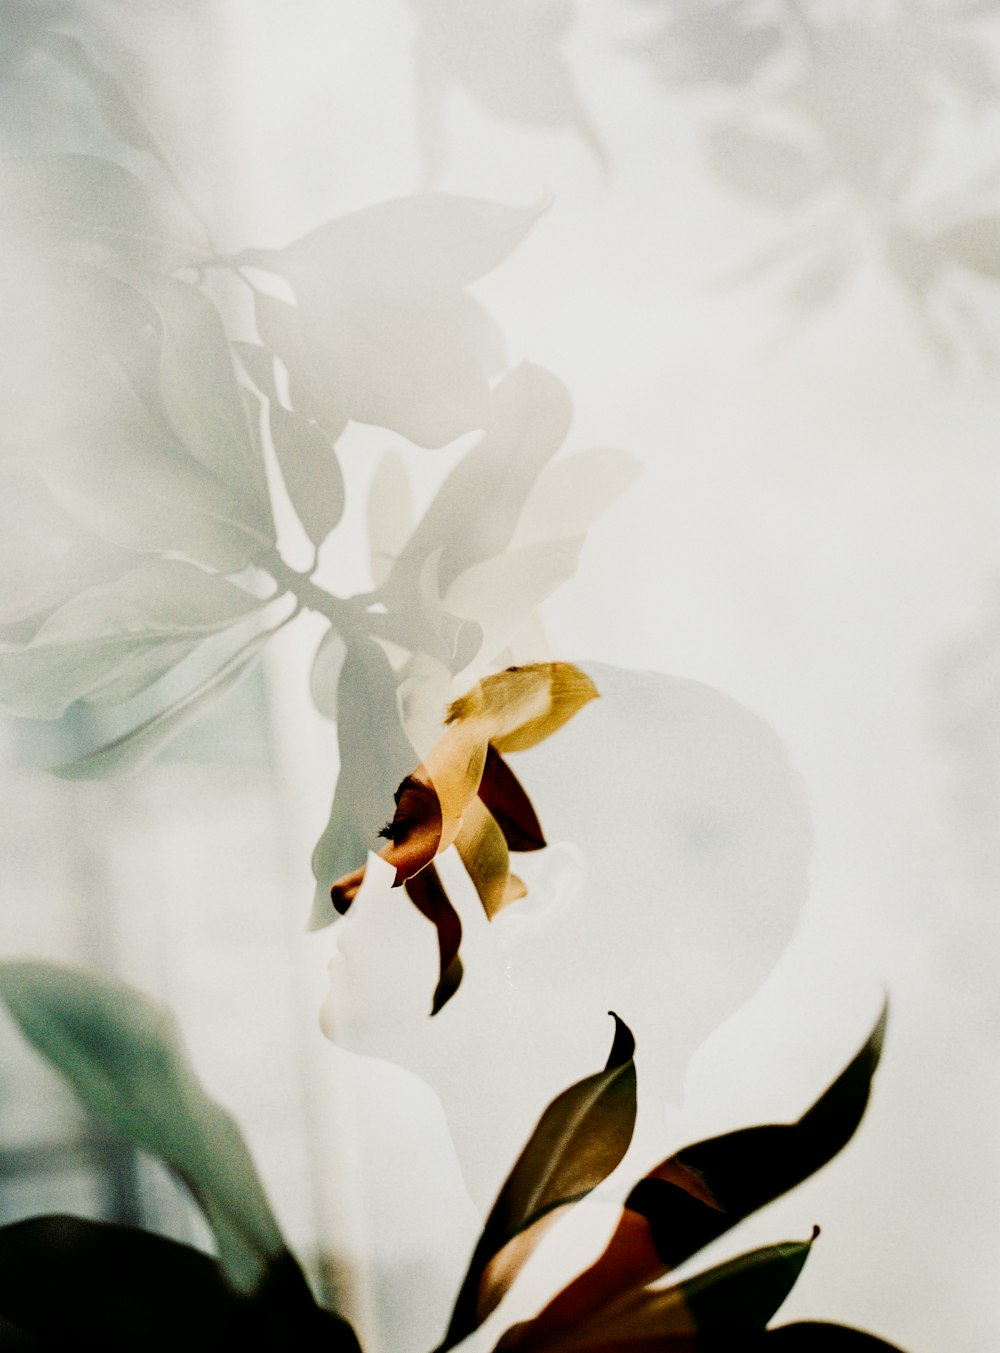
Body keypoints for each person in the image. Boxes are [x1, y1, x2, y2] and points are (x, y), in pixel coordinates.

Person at [319, 661, 813, 1214]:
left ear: (529, 893)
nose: (347, 888)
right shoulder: (591, 1243)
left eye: (407, 831)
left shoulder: (582, 1274)